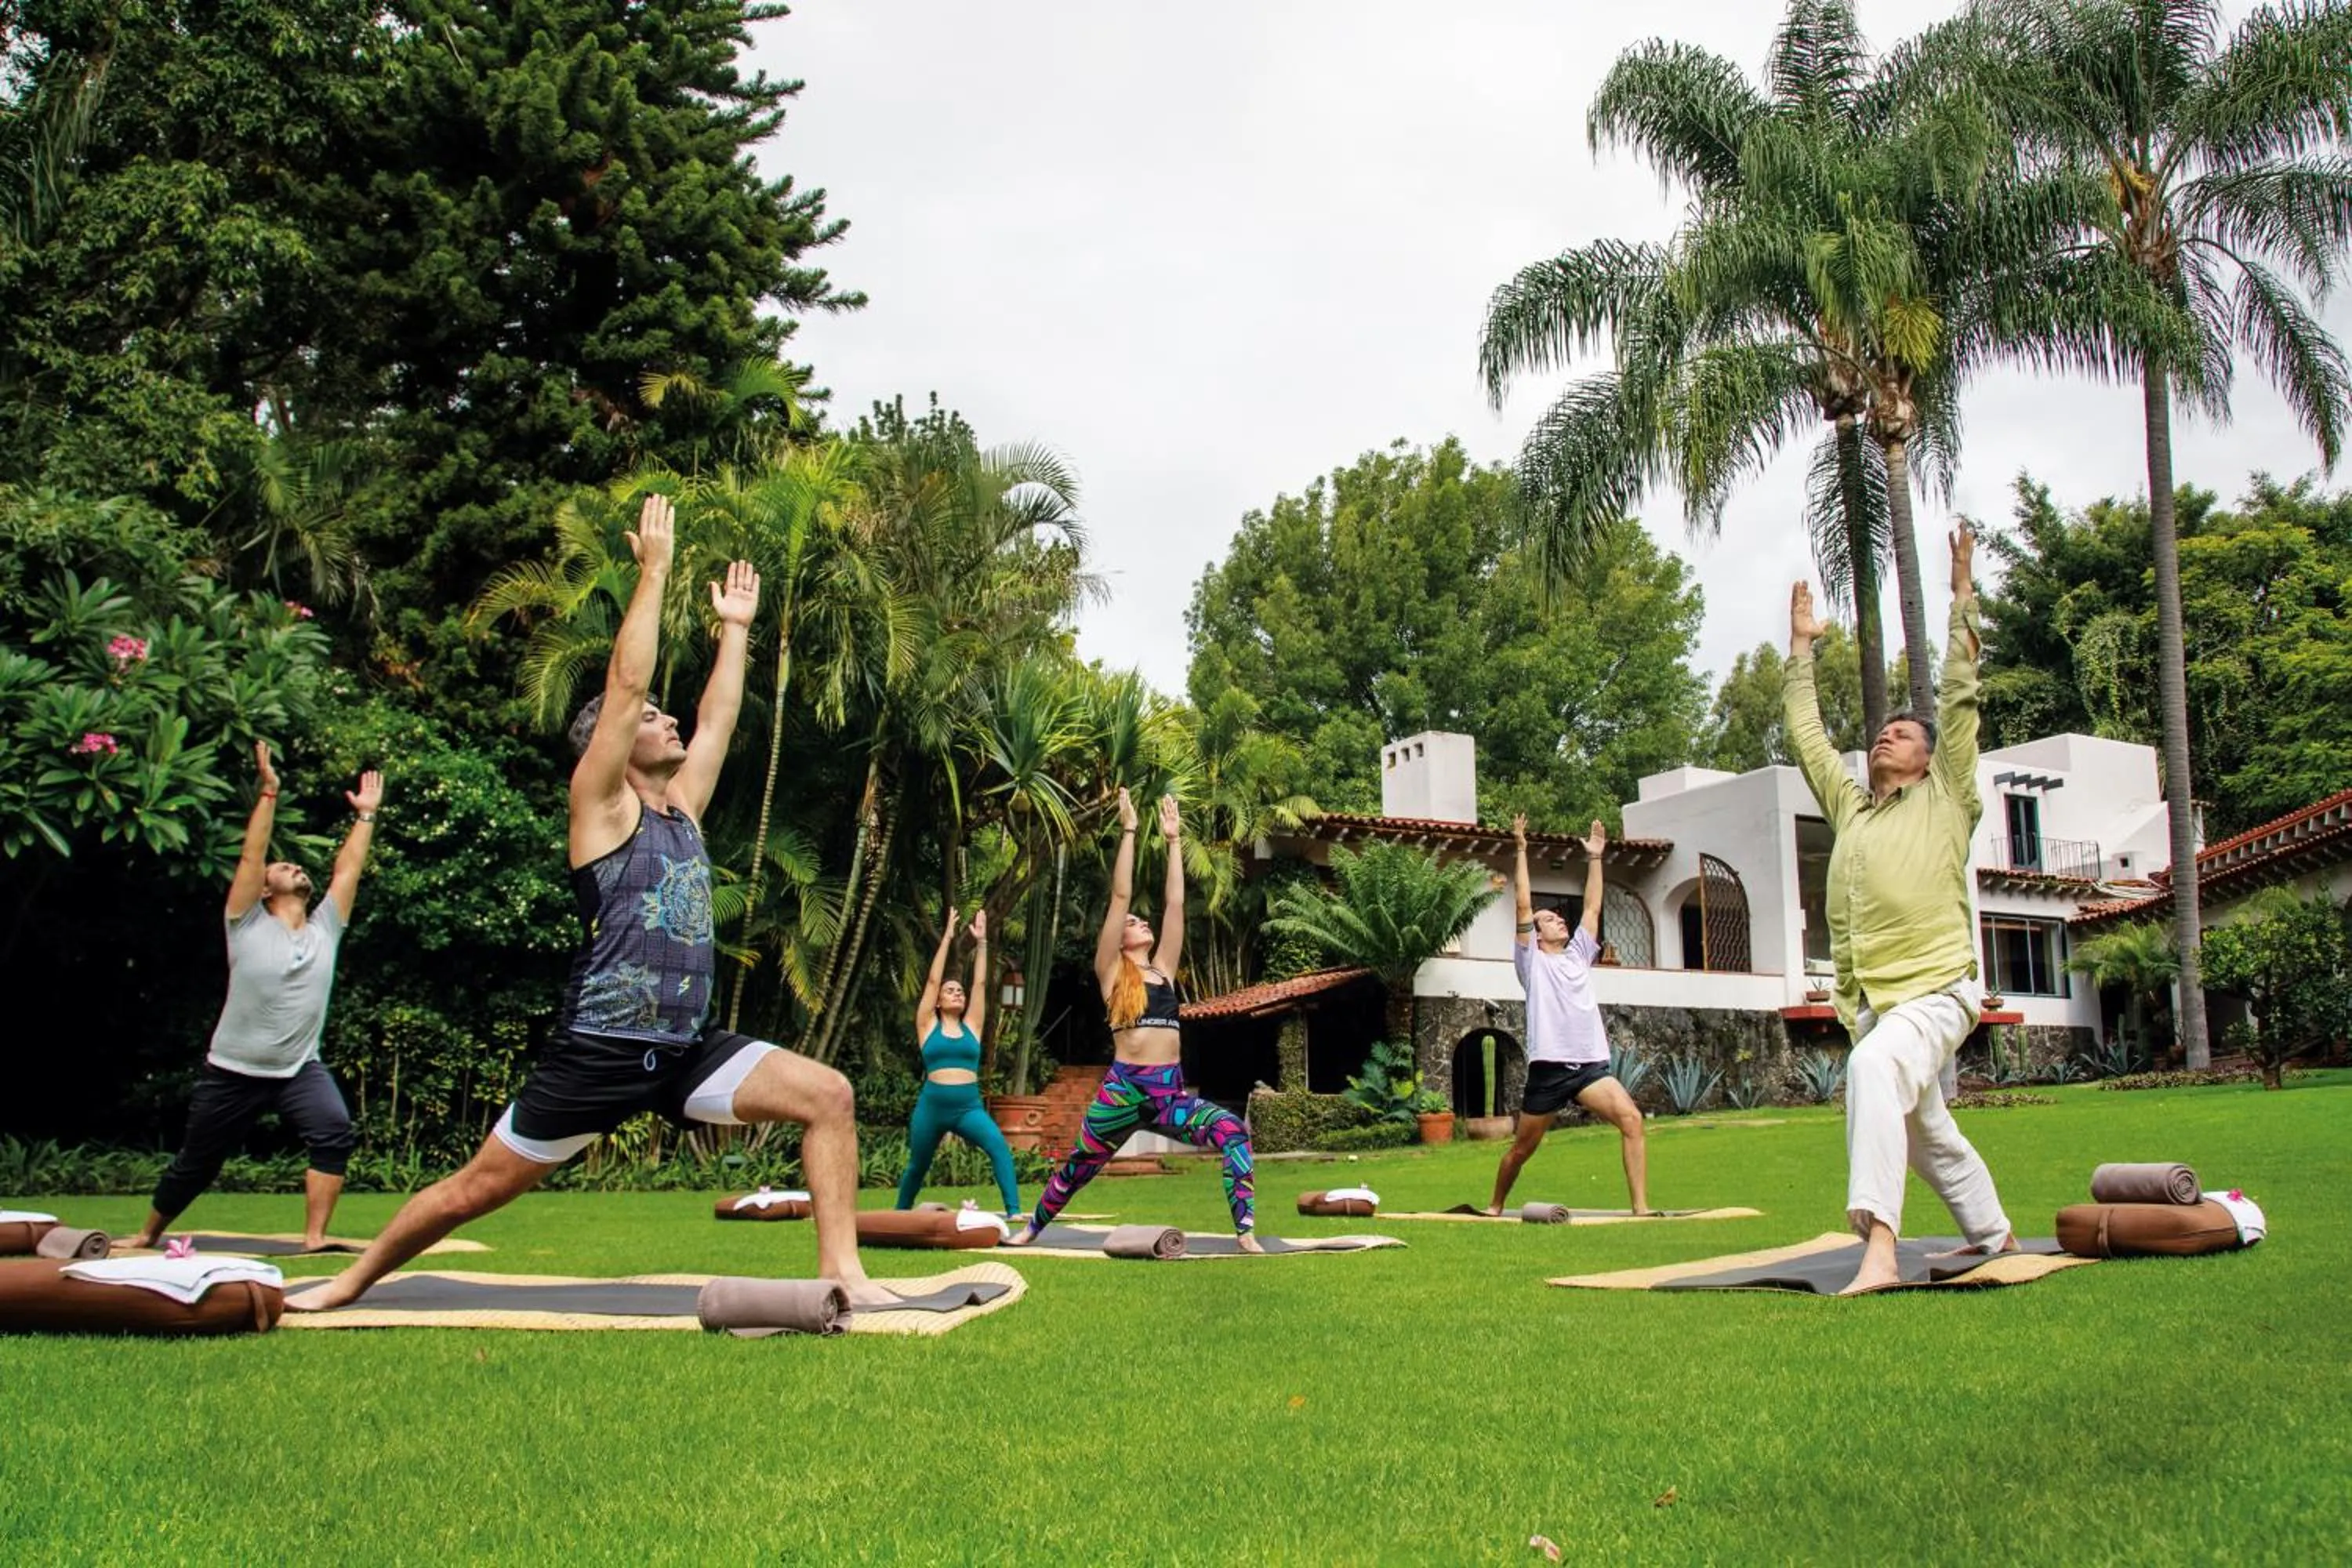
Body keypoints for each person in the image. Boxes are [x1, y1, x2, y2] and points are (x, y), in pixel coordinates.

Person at [293, 493, 890, 1309]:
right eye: (652, 719)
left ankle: (842, 1272)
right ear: (611, 742)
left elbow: (717, 720)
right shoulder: (603, 807)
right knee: (475, 1189)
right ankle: (350, 1279)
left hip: (685, 1050)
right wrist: (654, 574)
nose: (667, 720)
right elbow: (627, 682)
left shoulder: (683, 809)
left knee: (828, 1094)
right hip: (600, 1051)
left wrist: (736, 630)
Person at [1784, 522, 2014, 1294]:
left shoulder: (1947, 795)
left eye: (1904, 733)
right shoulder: (1852, 810)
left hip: (1938, 988)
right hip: (1877, 1002)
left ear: (1928, 756)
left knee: (1873, 1067)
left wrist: (1961, 594)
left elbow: (1959, 693)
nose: (1887, 737)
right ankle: (1995, 1233)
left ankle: (1879, 1246)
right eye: (1882, 732)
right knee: (1924, 1131)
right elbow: (1807, 737)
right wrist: (1802, 648)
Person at [125, 743, 383, 1251]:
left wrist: (367, 816)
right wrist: (269, 792)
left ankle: (314, 1237)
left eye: (298, 867)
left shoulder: (326, 928)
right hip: (232, 1071)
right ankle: (147, 1233)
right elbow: (251, 855)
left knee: (333, 1129)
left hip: (298, 1068)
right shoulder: (245, 923)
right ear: (265, 890)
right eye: (284, 867)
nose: (295, 868)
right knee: (198, 1160)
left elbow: (348, 870)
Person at [1004, 789, 1261, 1252]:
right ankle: (1032, 1229)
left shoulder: (1163, 969)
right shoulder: (1111, 971)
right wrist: (1128, 830)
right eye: (1133, 922)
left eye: (1144, 920)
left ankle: (1245, 1233)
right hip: (1124, 1091)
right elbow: (1120, 895)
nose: (1141, 921)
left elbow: (1175, 905)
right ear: (1119, 939)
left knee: (1232, 1132)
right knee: (1079, 1165)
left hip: (1168, 1096)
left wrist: (1174, 841)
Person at [1483, 814, 1650, 1216]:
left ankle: (1642, 1208)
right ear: (1536, 933)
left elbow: (1592, 906)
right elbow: (1523, 904)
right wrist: (1521, 849)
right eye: (1550, 920)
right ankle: (1495, 1205)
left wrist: (1595, 857)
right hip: (1550, 1069)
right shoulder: (1531, 963)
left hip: (1590, 1066)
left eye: (1560, 918)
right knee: (1522, 1149)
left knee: (1631, 1120)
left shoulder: (1578, 955)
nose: (1559, 920)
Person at [894, 906, 1022, 1218]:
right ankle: (899, 1216)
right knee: (918, 1165)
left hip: (968, 1108)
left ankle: (1014, 1211)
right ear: (938, 1002)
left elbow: (979, 985)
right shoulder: (927, 1025)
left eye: (959, 991)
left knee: (998, 1147)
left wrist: (982, 943)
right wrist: (948, 938)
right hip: (932, 1106)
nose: (957, 993)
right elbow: (932, 981)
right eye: (950, 991)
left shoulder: (972, 1027)